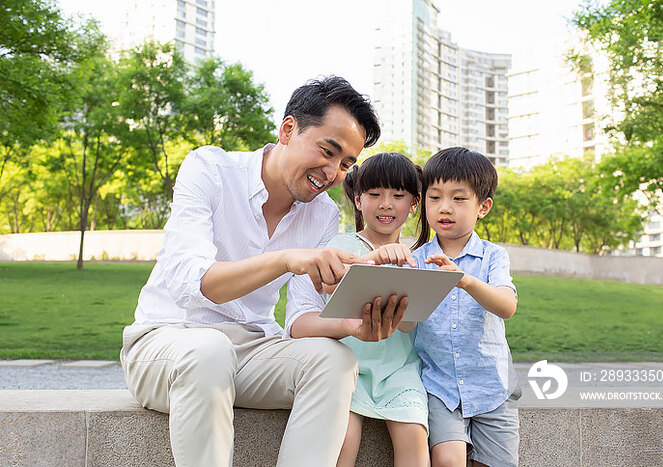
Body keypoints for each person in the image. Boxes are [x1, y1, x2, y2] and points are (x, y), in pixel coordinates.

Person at [119, 76, 410, 467]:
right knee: (210, 351)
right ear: (288, 129)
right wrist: (286, 258)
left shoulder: (321, 213)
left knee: (336, 361)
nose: (332, 172)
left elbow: (299, 318)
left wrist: (355, 326)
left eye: (345, 164)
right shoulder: (210, 168)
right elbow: (194, 285)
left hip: (252, 349)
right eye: (327, 151)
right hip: (169, 341)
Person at [411, 147, 521, 467]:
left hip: (492, 388)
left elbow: (507, 305)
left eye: (459, 198)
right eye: (435, 197)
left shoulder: (493, 256)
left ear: (483, 206)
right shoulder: (415, 260)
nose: (445, 207)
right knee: (448, 461)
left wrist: (465, 280)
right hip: (440, 388)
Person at [323, 153, 429, 467]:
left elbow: (409, 326)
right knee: (343, 441)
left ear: (413, 204)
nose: (386, 204)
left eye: (398, 195)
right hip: (349, 368)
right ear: (358, 199)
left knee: (414, 438)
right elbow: (331, 287)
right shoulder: (342, 245)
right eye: (374, 194)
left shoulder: (417, 258)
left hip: (399, 371)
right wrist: (377, 258)